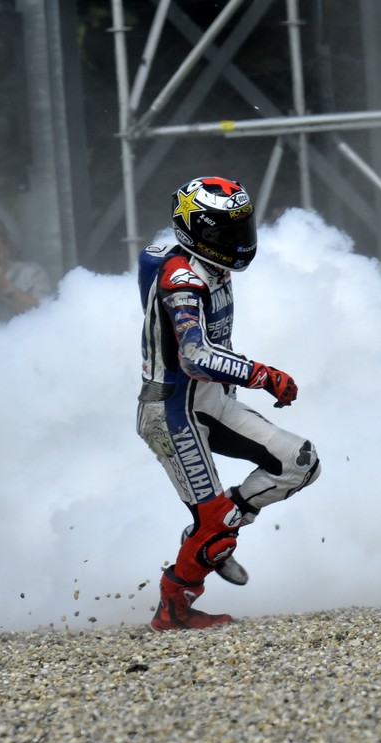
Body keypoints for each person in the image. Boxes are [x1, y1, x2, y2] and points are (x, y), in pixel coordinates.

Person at [136, 175, 321, 631]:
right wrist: (264, 374)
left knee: (301, 462)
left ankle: (212, 534)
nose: (238, 240)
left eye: (242, 226)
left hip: (214, 402)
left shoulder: (201, 262)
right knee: (214, 524)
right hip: (172, 413)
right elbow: (195, 355)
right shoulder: (182, 277)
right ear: (197, 231)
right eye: (225, 231)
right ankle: (174, 605)